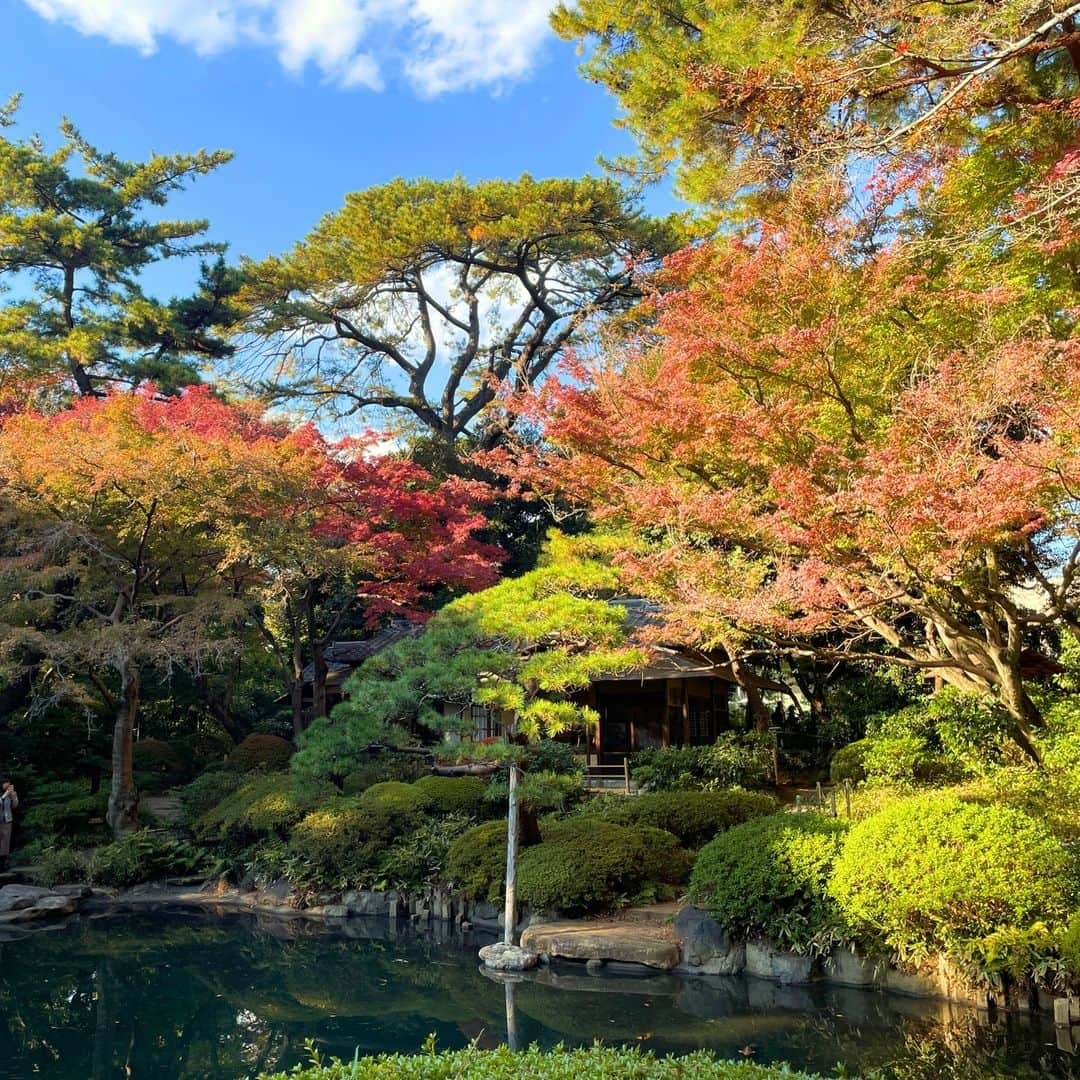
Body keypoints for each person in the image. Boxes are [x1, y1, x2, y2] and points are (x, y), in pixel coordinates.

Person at [0, 779, 18, 869]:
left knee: (5, 844)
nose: (8, 786)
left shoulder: (10, 794)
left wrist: (14, 797)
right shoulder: (4, 794)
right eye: (6, 784)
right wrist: (4, 796)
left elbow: (14, 806)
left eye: (9, 784)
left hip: (6, 821)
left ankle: (3, 865)